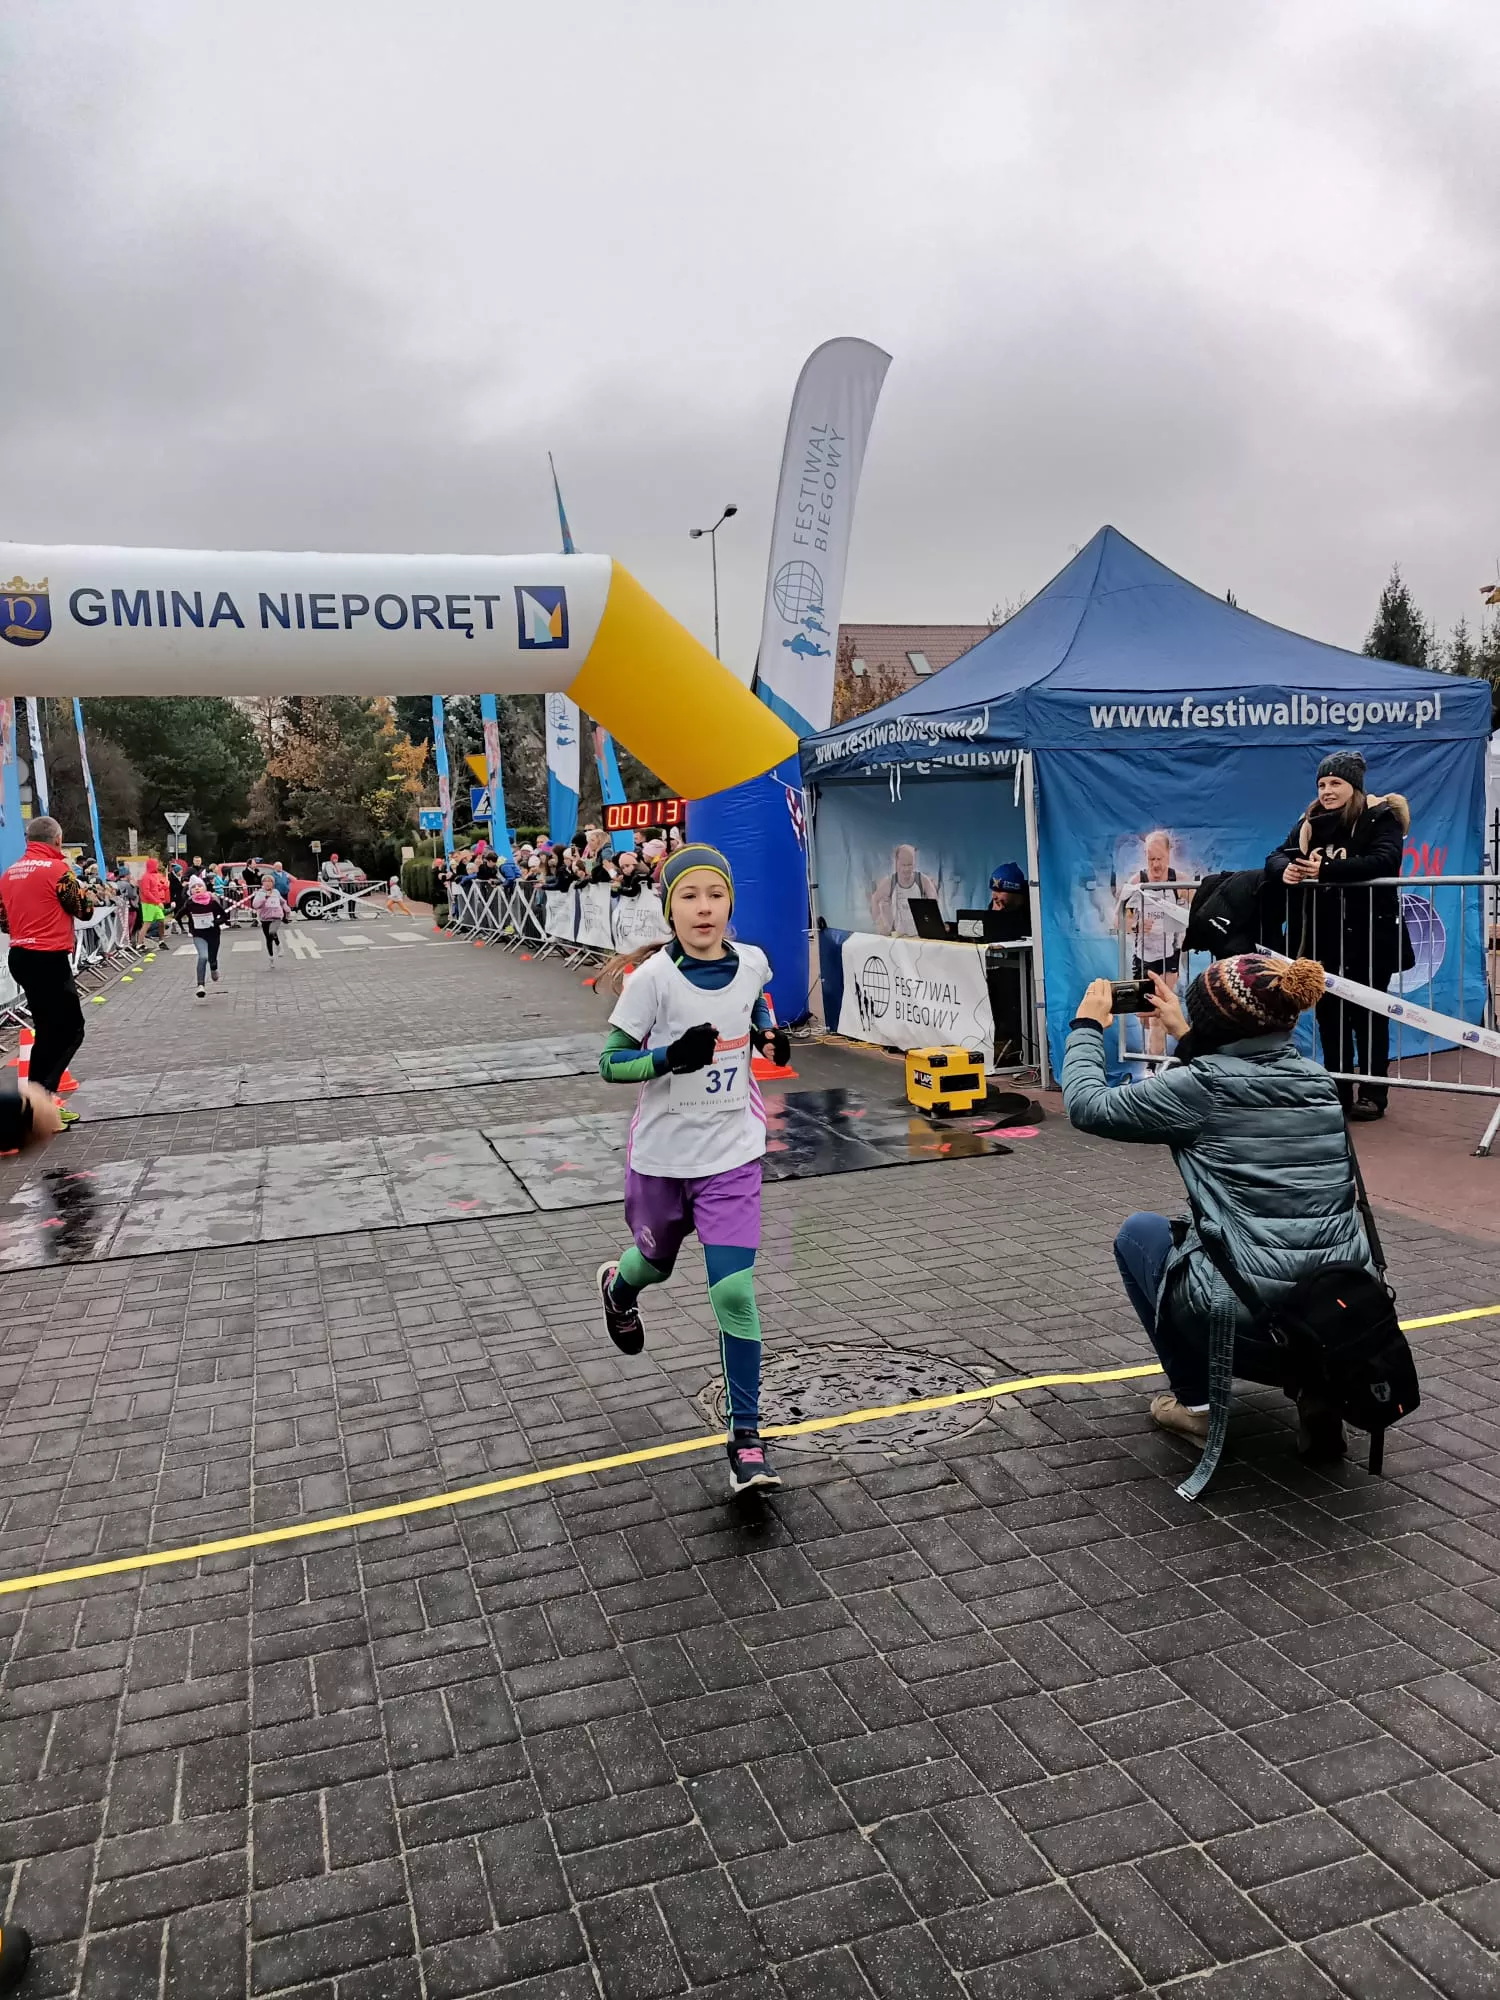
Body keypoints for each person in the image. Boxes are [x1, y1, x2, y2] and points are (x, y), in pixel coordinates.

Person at [1064, 952, 1370, 1461]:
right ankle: (1318, 1392)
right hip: (1343, 1311)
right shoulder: (1318, 1080)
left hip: (1253, 1322)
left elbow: (1087, 1105)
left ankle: (1197, 1407)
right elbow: (1241, 1074)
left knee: (1141, 1234)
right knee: (1278, 1245)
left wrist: (1086, 1027)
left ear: (1214, 1022)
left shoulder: (1200, 1086)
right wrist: (1186, 1034)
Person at [594, 843, 791, 1496]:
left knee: (734, 1294)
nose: (703, 908)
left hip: (732, 1153)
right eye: (688, 896)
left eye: (715, 895)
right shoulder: (652, 980)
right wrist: (669, 1058)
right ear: (669, 908)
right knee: (654, 1264)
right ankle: (619, 1290)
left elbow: (756, 1006)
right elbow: (610, 1062)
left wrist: (768, 1035)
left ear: (730, 903)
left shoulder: (752, 962)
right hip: (663, 1158)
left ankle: (746, 1440)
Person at [1268, 750, 1412, 1121]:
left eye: (1335, 783)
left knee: (1369, 1018)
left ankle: (1374, 1094)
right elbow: (1276, 856)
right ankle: (1338, 1091)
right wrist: (1285, 870)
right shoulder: (1309, 821)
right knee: (1330, 1019)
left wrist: (1327, 870)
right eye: (1322, 784)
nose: (1327, 791)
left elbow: (1385, 860)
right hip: (1323, 938)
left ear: (1354, 786)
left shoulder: (1380, 817)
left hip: (1369, 937)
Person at [0, 817, 99, 1122]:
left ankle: (35, 1103)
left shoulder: (9, 873)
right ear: (58, 840)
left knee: (47, 1030)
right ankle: (42, 1103)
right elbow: (84, 911)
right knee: (71, 1030)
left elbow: (3, 921)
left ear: (28, 840)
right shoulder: (58, 871)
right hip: (49, 957)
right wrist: (88, 895)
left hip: (20, 955)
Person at [1122, 831, 1192, 1059]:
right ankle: (1163, 1050)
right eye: (1151, 859)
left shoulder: (1179, 881)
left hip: (1169, 955)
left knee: (1156, 1016)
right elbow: (1119, 921)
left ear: (1169, 854)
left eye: (1159, 858)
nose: (1156, 865)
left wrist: (1188, 925)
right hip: (1144, 956)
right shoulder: (1137, 882)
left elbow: (1201, 910)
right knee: (1145, 1017)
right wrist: (1136, 925)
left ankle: (1153, 1068)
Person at [871, 844, 939, 938]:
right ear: (896, 863)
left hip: (919, 937)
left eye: (910, 865)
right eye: (903, 865)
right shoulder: (889, 882)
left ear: (914, 863)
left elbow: (934, 904)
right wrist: (880, 923)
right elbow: (874, 899)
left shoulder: (923, 880)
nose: (906, 869)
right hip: (898, 937)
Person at [186, 881, 226, 997]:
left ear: (204, 888)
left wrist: (216, 922)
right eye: (194, 887)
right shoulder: (190, 903)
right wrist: (189, 926)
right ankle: (200, 986)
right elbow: (180, 914)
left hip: (213, 934)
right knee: (203, 957)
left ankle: (213, 968)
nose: (197, 888)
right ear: (190, 891)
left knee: (212, 958)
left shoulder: (212, 902)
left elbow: (224, 916)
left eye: (199, 886)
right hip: (199, 935)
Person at [986, 861, 1031, 940]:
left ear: (1014, 893)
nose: (994, 896)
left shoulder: (1035, 905)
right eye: (993, 890)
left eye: (999, 891)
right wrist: (994, 915)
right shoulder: (996, 904)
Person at [251, 876, 290, 962]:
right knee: (268, 938)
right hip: (265, 918)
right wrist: (265, 898)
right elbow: (255, 905)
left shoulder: (276, 892)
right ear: (262, 883)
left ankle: (279, 946)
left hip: (276, 917)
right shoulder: (260, 893)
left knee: (272, 932)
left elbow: (282, 901)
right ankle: (271, 956)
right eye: (265, 881)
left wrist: (286, 908)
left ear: (273, 883)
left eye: (270, 881)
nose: (267, 883)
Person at [138, 856, 171, 947]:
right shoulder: (146, 877)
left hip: (155, 903)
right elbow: (146, 892)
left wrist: (163, 887)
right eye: (156, 865)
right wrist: (157, 902)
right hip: (148, 904)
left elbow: (155, 889)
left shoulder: (152, 876)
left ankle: (161, 940)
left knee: (161, 921)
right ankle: (139, 943)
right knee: (147, 923)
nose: (157, 867)